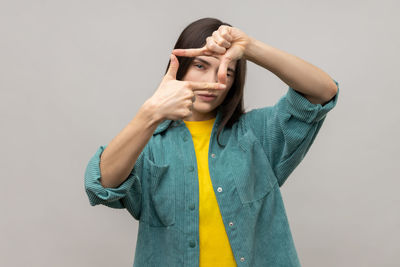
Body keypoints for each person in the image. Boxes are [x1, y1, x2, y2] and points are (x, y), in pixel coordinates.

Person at [84, 17, 339, 267]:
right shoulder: (149, 144)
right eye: (200, 66)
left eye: (227, 71)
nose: (213, 81)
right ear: (180, 67)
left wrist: (249, 47)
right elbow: (101, 185)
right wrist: (151, 113)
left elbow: (322, 93)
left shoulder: (256, 135)